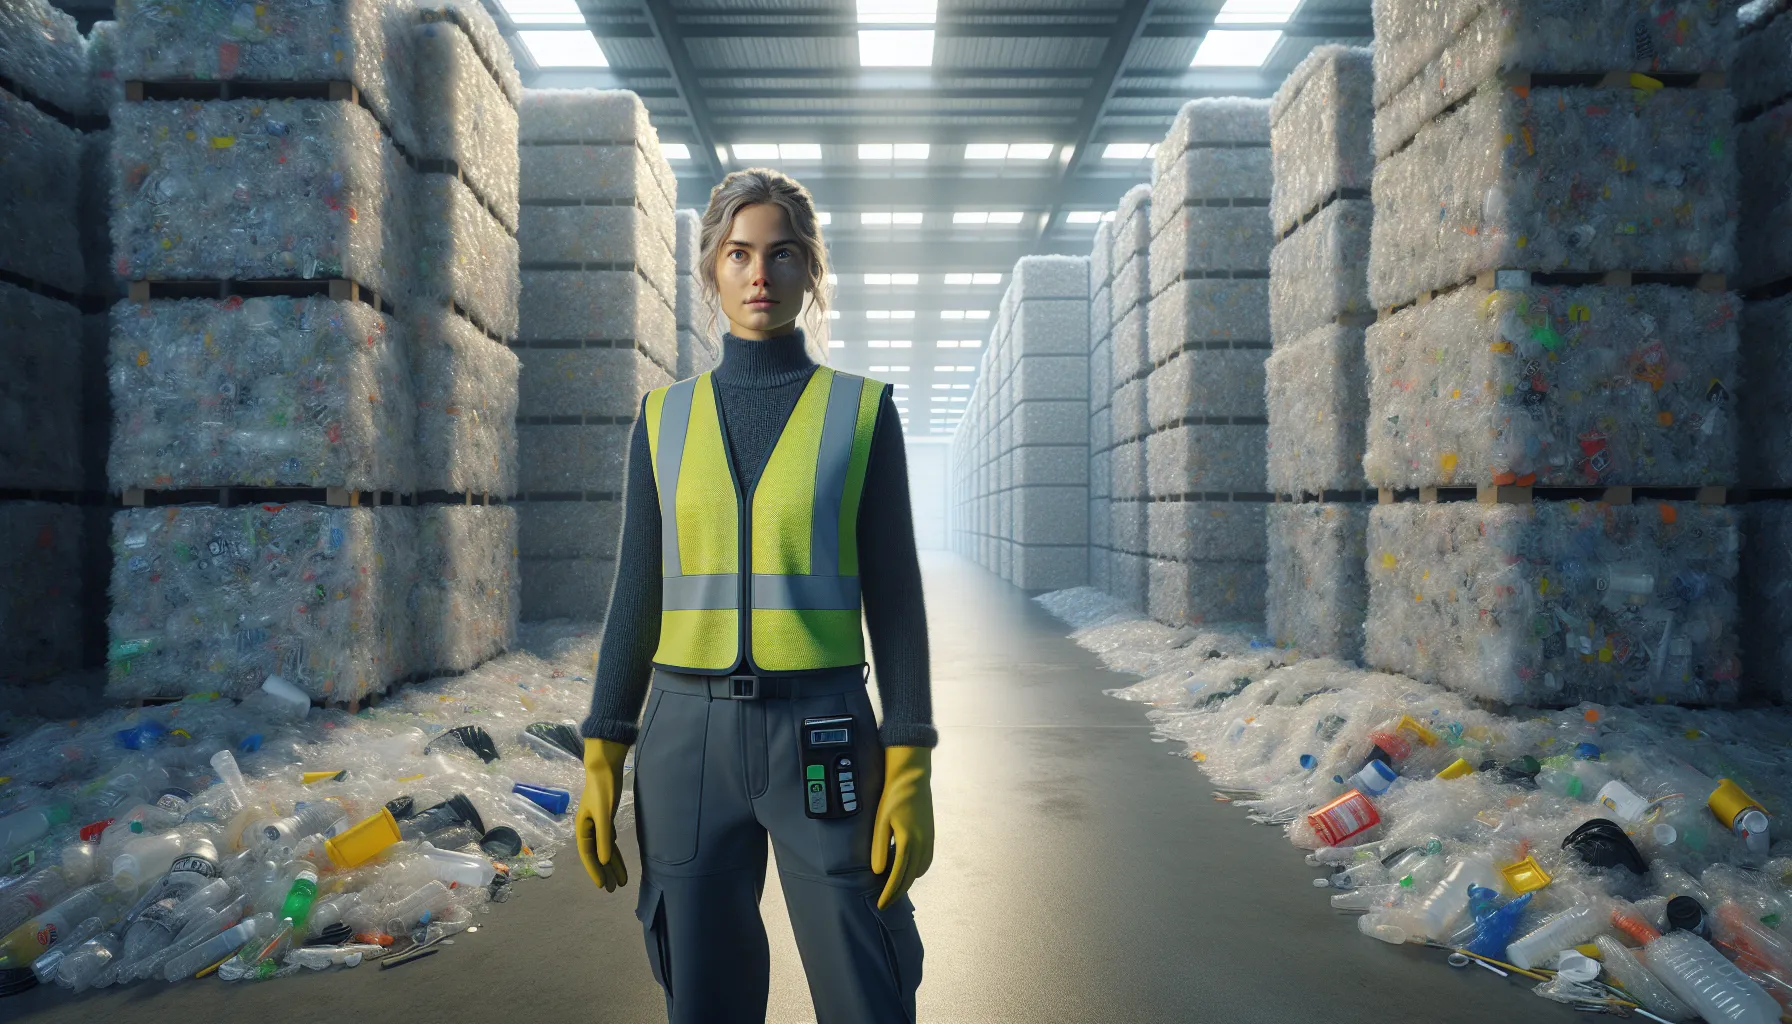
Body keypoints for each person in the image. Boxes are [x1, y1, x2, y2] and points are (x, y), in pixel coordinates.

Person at [574, 166, 938, 1024]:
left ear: (811, 271)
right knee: (701, 993)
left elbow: (896, 597)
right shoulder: (661, 418)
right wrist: (602, 749)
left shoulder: (860, 413)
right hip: (684, 742)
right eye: (738, 254)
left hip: (824, 733)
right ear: (712, 269)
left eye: (781, 254)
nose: (759, 274)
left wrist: (911, 756)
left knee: (866, 983)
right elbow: (637, 593)